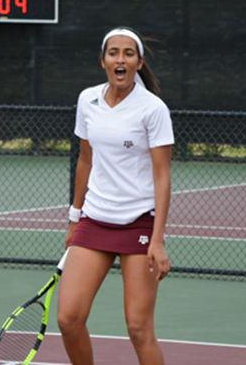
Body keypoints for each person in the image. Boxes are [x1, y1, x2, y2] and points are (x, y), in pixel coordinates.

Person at [57, 27, 174, 365]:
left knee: (138, 329)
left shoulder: (153, 109)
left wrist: (158, 239)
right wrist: (74, 218)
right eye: (113, 53)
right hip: (94, 219)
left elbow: (162, 175)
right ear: (103, 60)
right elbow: (86, 159)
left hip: (139, 221)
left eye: (127, 53)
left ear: (138, 62)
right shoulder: (87, 100)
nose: (120, 59)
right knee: (68, 319)